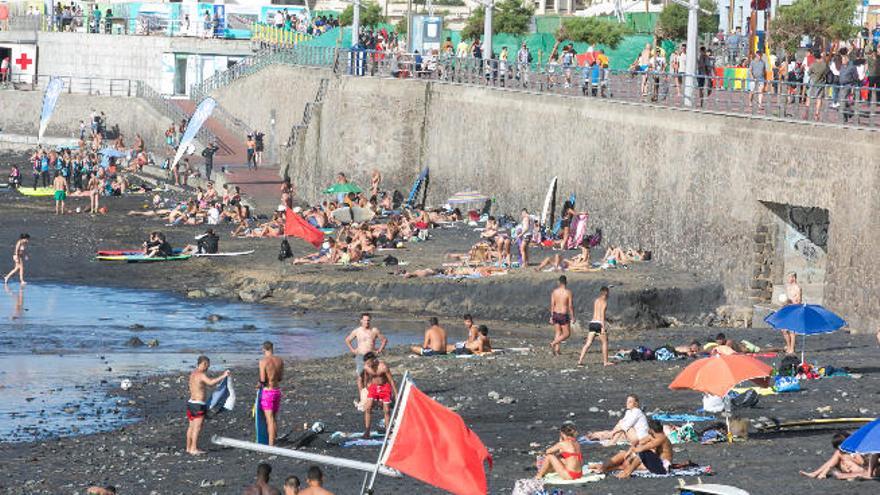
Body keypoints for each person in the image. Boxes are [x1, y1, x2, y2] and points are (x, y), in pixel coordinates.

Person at [594, 419, 673, 479]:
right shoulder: (653, 436)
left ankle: (626, 473)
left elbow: (642, 448)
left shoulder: (661, 439)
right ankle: (603, 467)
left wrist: (632, 453)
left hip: (663, 468)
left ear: (651, 430)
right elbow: (639, 442)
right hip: (655, 463)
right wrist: (629, 451)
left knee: (641, 453)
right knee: (623, 455)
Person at [185, 355, 229, 455]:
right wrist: (223, 375)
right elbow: (210, 383)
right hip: (198, 405)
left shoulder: (193, 373)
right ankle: (193, 448)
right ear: (203, 363)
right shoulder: (201, 374)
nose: (208, 368)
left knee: (191, 427)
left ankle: (188, 447)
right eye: (207, 366)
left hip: (191, 403)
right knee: (197, 427)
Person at [344, 313, 387, 395]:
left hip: (371, 356)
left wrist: (379, 350)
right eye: (365, 320)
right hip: (360, 356)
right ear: (361, 321)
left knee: (371, 375)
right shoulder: (357, 331)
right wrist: (353, 350)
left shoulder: (374, 330)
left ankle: (370, 394)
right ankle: (362, 396)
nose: (367, 322)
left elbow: (384, 340)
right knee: (360, 376)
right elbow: (347, 340)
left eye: (368, 320)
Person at [800, 432, 872, 479]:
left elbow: (862, 462)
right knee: (838, 454)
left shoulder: (857, 450)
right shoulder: (848, 450)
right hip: (851, 467)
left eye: (841, 447)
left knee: (839, 454)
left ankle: (820, 473)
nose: (841, 449)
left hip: (860, 469)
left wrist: (848, 458)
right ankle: (819, 473)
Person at [361, 352, 397, 438]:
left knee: (387, 410)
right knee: (368, 408)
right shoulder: (366, 367)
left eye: (369, 362)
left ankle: (388, 432)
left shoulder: (383, 367)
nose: (368, 365)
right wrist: (366, 388)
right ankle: (367, 432)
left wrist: (396, 393)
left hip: (385, 387)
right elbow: (365, 378)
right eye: (366, 363)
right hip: (373, 387)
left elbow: (391, 381)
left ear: (374, 360)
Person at [577, 286, 612, 366]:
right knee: (604, 342)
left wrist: (607, 319)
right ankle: (605, 362)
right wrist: (603, 327)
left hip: (592, 323)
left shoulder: (596, 300)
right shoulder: (604, 302)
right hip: (599, 324)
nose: (609, 294)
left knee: (588, 343)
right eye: (608, 293)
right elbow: (602, 315)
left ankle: (580, 360)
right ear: (606, 293)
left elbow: (597, 313)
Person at [259, 341, 284, 446]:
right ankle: (274, 440)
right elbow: (280, 378)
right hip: (277, 391)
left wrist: (258, 385)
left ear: (263, 349)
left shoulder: (263, 362)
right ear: (272, 348)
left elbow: (263, 380)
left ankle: (271, 445)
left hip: (268, 392)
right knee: (273, 418)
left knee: (269, 419)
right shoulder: (280, 360)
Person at [549, 275, 574, 356]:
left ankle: (557, 350)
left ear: (559, 282)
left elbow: (552, 305)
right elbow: (570, 306)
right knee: (567, 334)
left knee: (558, 332)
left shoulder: (554, 292)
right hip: (563, 314)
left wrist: (551, 316)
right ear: (566, 282)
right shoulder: (568, 292)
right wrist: (573, 317)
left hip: (556, 313)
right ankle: (553, 343)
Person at [782, 272, 802, 354]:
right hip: (787, 309)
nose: (788, 279)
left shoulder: (797, 288)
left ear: (793, 278)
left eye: (789, 277)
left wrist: (791, 302)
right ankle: (789, 345)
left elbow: (799, 301)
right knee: (783, 330)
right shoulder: (788, 287)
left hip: (794, 310)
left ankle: (792, 348)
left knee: (791, 331)